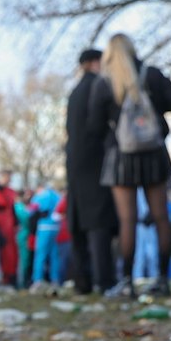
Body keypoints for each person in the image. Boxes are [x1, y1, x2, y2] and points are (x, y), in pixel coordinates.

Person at [96, 34, 171, 297]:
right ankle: (163, 279)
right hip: (154, 154)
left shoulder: (105, 82)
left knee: (127, 220)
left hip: (121, 156)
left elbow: (93, 123)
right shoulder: (151, 74)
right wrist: (156, 109)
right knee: (160, 217)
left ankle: (127, 281)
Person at [63, 48, 118, 294]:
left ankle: (82, 281)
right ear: (96, 62)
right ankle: (104, 279)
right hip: (96, 162)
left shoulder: (75, 92)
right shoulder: (99, 85)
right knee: (99, 223)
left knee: (78, 224)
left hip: (74, 165)